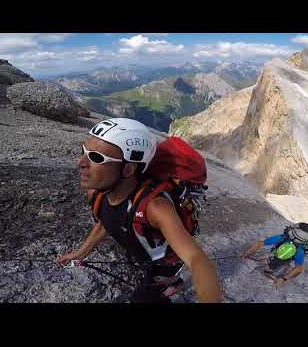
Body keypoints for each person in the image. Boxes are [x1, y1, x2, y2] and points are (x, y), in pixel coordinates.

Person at [56, 118, 223, 303]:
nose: (81, 162)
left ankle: (170, 283)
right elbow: (105, 220)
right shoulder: (97, 193)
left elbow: (196, 259)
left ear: (128, 169)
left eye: (96, 157)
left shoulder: (155, 207)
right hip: (141, 252)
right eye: (84, 151)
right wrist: (80, 253)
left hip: (163, 263)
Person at [241, 223, 308, 287]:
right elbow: (299, 268)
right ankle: (269, 270)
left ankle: (267, 261)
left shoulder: (282, 237)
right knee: (294, 266)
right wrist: (283, 279)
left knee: (273, 255)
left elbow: (259, 243)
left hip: (275, 251)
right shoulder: (301, 250)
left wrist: (248, 253)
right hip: (290, 256)